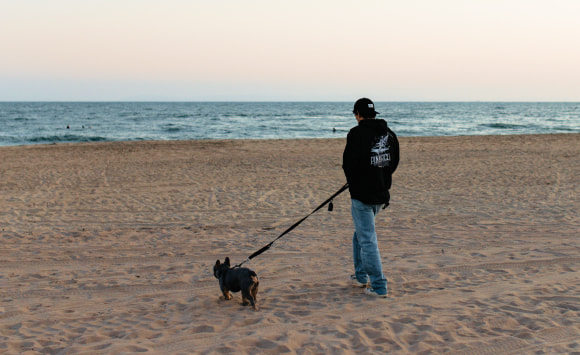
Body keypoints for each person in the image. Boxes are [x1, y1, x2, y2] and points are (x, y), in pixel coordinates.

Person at [342, 98, 399, 298]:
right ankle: (360, 276)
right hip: (379, 194)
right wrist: (380, 179)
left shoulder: (357, 133)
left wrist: (357, 183)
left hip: (364, 195)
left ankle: (379, 286)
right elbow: (393, 162)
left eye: (355, 114)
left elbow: (348, 164)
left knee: (367, 239)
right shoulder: (389, 133)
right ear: (374, 114)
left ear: (358, 114)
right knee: (361, 234)